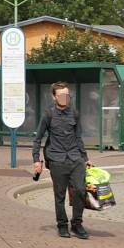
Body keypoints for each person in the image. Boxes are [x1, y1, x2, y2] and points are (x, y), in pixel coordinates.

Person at [33, 82, 91, 239]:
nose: (65, 98)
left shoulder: (75, 114)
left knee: (80, 190)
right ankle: (62, 225)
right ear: (54, 97)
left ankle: (77, 224)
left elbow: (78, 137)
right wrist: (36, 160)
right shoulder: (48, 115)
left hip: (75, 158)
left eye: (67, 95)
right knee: (60, 195)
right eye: (61, 95)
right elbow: (38, 139)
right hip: (57, 159)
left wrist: (85, 158)